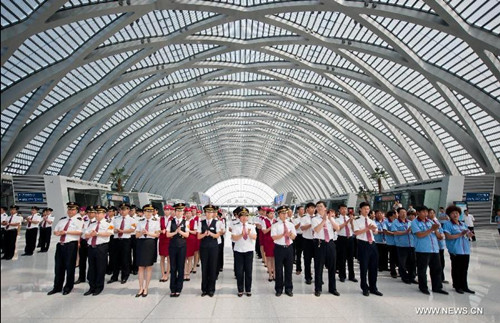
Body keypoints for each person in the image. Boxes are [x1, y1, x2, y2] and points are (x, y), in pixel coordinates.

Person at [47, 202, 83, 295]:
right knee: (58, 267)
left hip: (71, 245)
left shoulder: (79, 220)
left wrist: (66, 232)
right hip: (60, 244)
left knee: (70, 266)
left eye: (72, 209)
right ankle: (57, 287)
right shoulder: (62, 219)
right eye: (69, 209)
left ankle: (68, 287)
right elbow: (55, 230)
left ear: (76, 210)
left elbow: (80, 232)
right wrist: (57, 233)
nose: (70, 211)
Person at [411, 206, 448, 295]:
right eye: (423, 212)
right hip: (423, 250)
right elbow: (419, 235)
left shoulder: (431, 221)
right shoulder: (414, 223)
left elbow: (439, 236)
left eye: (426, 212)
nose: (425, 213)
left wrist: (437, 233)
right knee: (422, 270)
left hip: (434, 249)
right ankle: (423, 287)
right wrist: (431, 229)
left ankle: (437, 287)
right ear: (418, 213)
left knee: (437, 269)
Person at [443, 205, 475, 294]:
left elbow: (467, 234)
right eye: (453, 213)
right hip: (455, 250)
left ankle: (465, 286)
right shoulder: (447, 224)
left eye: (456, 213)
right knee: (457, 268)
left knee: (464, 269)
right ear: (449, 215)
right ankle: (457, 286)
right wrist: (461, 234)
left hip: (465, 250)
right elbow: (448, 237)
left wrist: (469, 234)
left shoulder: (463, 224)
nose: (455, 215)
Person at [353, 202, 382, 297]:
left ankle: (373, 287)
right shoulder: (356, 220)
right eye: (365, 208)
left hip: (372, 244)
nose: (367, 210)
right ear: (360, 209)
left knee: (373, 267)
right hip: (363, 244)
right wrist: (367, 228)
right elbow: (356, 233)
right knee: (364, 267)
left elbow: (376, 232)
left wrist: (373, 229)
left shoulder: (371, 220)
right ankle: (364, 287)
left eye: (368, 209)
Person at [84, 205, 113, 296]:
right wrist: (90, 235)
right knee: (92, 268)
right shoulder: (92, 224)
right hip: (91, 247)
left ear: (104, 214)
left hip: (101, 247)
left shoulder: (109, 223)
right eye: (96, 213)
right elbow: (85, 235)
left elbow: (109, 233)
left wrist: (97, 233)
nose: (96, 214)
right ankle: (91, 287)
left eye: (99, 213)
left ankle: (99, 287)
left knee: (100, 267)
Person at [312, 201, 340, 297]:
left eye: (321, 206)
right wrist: (323, 220)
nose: (319, 208)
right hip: (320, 243)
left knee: (332, 267)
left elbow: (338, 228)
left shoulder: (331, 219)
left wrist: (330, 219)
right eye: (317, 206)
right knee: (319, 267)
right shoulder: (315, 219)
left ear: (325, 208)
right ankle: (318, 288)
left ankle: (332, 288)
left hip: (331, 243)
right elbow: (316, 230)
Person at [134, 204, 160, 297]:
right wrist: (141, 232)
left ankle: (146, 288)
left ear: (152, 212)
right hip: (141, 244)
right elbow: (136, 235)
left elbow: (157, 235)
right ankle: (140, 287)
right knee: (140, 267)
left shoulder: (156, 222)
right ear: (144, 212)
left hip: (150, 244)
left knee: (148, 267)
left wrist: (148, 233)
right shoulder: (140, 221)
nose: (148, 213)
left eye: (150, 211)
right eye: (146, 211)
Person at [198, 204, 222, 297]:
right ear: (205, 213)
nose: (209, 214)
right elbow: (198, 236)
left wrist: (211, 233)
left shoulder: (217, 222)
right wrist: (204, 234)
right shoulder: (201, 222)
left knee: (212, 267)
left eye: (211, 212)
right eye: (207, 212)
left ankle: (211, 289)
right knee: (204, 267)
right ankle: (204, 289)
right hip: (204, 246)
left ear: (213, 213)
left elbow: (217, 235)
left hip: (213, 246)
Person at [271, 205, 296, 297]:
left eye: (285, 213)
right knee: (279, 269)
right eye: (282, 213)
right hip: (279, 248)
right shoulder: (275, 225)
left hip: (289, 248)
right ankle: (279, 289)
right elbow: (273, 237)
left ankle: (289, 288)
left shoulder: (291, 224)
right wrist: (283, 234)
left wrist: (290, 235)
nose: (285, 215)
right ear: (279, 214)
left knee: (289, 269)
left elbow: (294, 237)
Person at [231, 207, 256, 297]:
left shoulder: (251, 226)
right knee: (239, 271)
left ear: (248, 217)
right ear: (239, 217)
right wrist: (242, 234)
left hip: (249, 251)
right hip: (239, 251)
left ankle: (248, 289)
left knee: (248, 271)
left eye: (246, 216)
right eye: (242, 216)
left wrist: (248, 233)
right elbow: (234, 238)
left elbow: (255, 237)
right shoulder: (236, 226)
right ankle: (240, 289)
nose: (244, 218)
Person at [167, 203, 189, 297]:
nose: (179, 212)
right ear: (175, 212)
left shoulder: (186, 222)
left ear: (183, 212)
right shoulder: (170, 222)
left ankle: (179, 288)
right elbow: (167, 235)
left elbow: (187, 235)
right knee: (173, 267)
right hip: (173, 246)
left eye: (181, 211)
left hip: (182, 246)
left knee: (180, 267)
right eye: (178, 211)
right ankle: (172, 288)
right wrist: (175, 232)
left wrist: (180, 232)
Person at [109, 203, 135, 284]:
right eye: (120, 209)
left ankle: (125, 276)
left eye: (124, 209)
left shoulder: (132, 220)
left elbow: (132, 229)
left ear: (128, 210)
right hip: (116, 240)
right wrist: (114, 230)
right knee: (115, 258)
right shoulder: (115, 219)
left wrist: (122, 231)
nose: (122, 211)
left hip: (125, 240)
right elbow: (110, 227)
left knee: (125, 259)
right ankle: (114, 276)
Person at [391, 207, 416, 285]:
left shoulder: (410, 222)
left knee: (412, 262)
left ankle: (412, 277)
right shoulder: (395, 222)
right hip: (401, 245)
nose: (404, 214)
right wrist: (405, 232)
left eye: (405, 212)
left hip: (411, 244)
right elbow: (395, 232)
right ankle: (404, 277)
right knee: (402, 262)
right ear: (398, 214)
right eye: (402, 212)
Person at [335, 204, 357, 283]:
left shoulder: (350, 218)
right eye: (342, 209)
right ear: (339, 210)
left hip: (350, 239)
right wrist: (347, 221)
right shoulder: (337, 219)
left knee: (351, 258)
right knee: (342, 258)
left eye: (345, 209)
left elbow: (354, 229)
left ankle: (351, 276)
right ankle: (342, 275)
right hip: (342, 239)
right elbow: (338, 228)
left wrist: (351, 222)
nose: (344, 210)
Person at [428, 208, 447, 283]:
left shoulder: (437, 222)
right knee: (434, 264)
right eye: (430, 213)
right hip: (432, 246)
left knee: (441, 263)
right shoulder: (428, 222)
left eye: (433, 213)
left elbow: (441, 231)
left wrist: (441, 236)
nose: (431, 214)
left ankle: (441, 278)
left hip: (440, 245)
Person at [300, 202, 317, 285]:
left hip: (316, 240)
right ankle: (308, 277)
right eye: (311, 208)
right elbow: (302, 228)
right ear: (307, 209)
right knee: (307, 260)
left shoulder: (317, 217)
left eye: (314, 208)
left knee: (318, 260)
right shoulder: (304, 218)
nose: (313, 209)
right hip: (307, 241)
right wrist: (311, 224)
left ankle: (318, 277)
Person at [76, 206, 94, 285]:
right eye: (89, 212)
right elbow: (80, 233)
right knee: (82, 261)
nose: (90, 214)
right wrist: (79, 242)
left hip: (91, 243)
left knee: (91, 261)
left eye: (92, 212)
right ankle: (81, 277)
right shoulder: (84, 222)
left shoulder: (97, 223)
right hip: (83, 242)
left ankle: (90, 277)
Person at [158, 205, 173, 282]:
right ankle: (162, 274)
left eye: (168, 210)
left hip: (169, 240)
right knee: (162, 258)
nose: (166, 211)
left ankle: (167, 274)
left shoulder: (172, 219)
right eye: (165, 210)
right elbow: (157, 229)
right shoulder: (161, 219)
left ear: (170, 211)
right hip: (162, 240)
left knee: (169, 258)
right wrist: (161, 231)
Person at [262, 207, 276, 281]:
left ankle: (275, 274)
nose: (272, 214)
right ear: (267, 214)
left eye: (273, 213)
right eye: (270, 213)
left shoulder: (276, 221)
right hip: (267, 241)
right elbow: (264, 231)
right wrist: (271, 227)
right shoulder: (264, 221)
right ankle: (270, 274)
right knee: (269, 258)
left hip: (275, 241)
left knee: (274, 258)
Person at [383, 210, 398, 278]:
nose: (397, 214)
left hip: (398, 242)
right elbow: (385, 231)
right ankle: (393, 271)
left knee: (397, 257)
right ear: (393, 214)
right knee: (392, 257)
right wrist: (394, 233)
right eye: (396, 213)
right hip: (390, 242)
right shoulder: (386, 221)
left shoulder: (397, 221)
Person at [184, 207, 197, 281]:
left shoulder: (193, 221)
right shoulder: (183, 221)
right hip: (184, 240)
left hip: (191, 240)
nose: (188, 214)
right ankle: (185, 272)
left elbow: (195, 232)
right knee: (184, 258)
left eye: (189, 213)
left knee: (190, 257)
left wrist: (188, 231)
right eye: (187, 213)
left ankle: (188, 273)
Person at [293, 206, 304, 275]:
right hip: (298, 236)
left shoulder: (307, 218)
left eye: (303, 209)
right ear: (298, 211)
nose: (303, 211)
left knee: (307, 254)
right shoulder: (295, 219)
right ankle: (298, 269)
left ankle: (307, 269)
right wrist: (301, 222)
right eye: (301, 209)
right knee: (298, 253)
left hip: (305, 236)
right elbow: (294, 228)